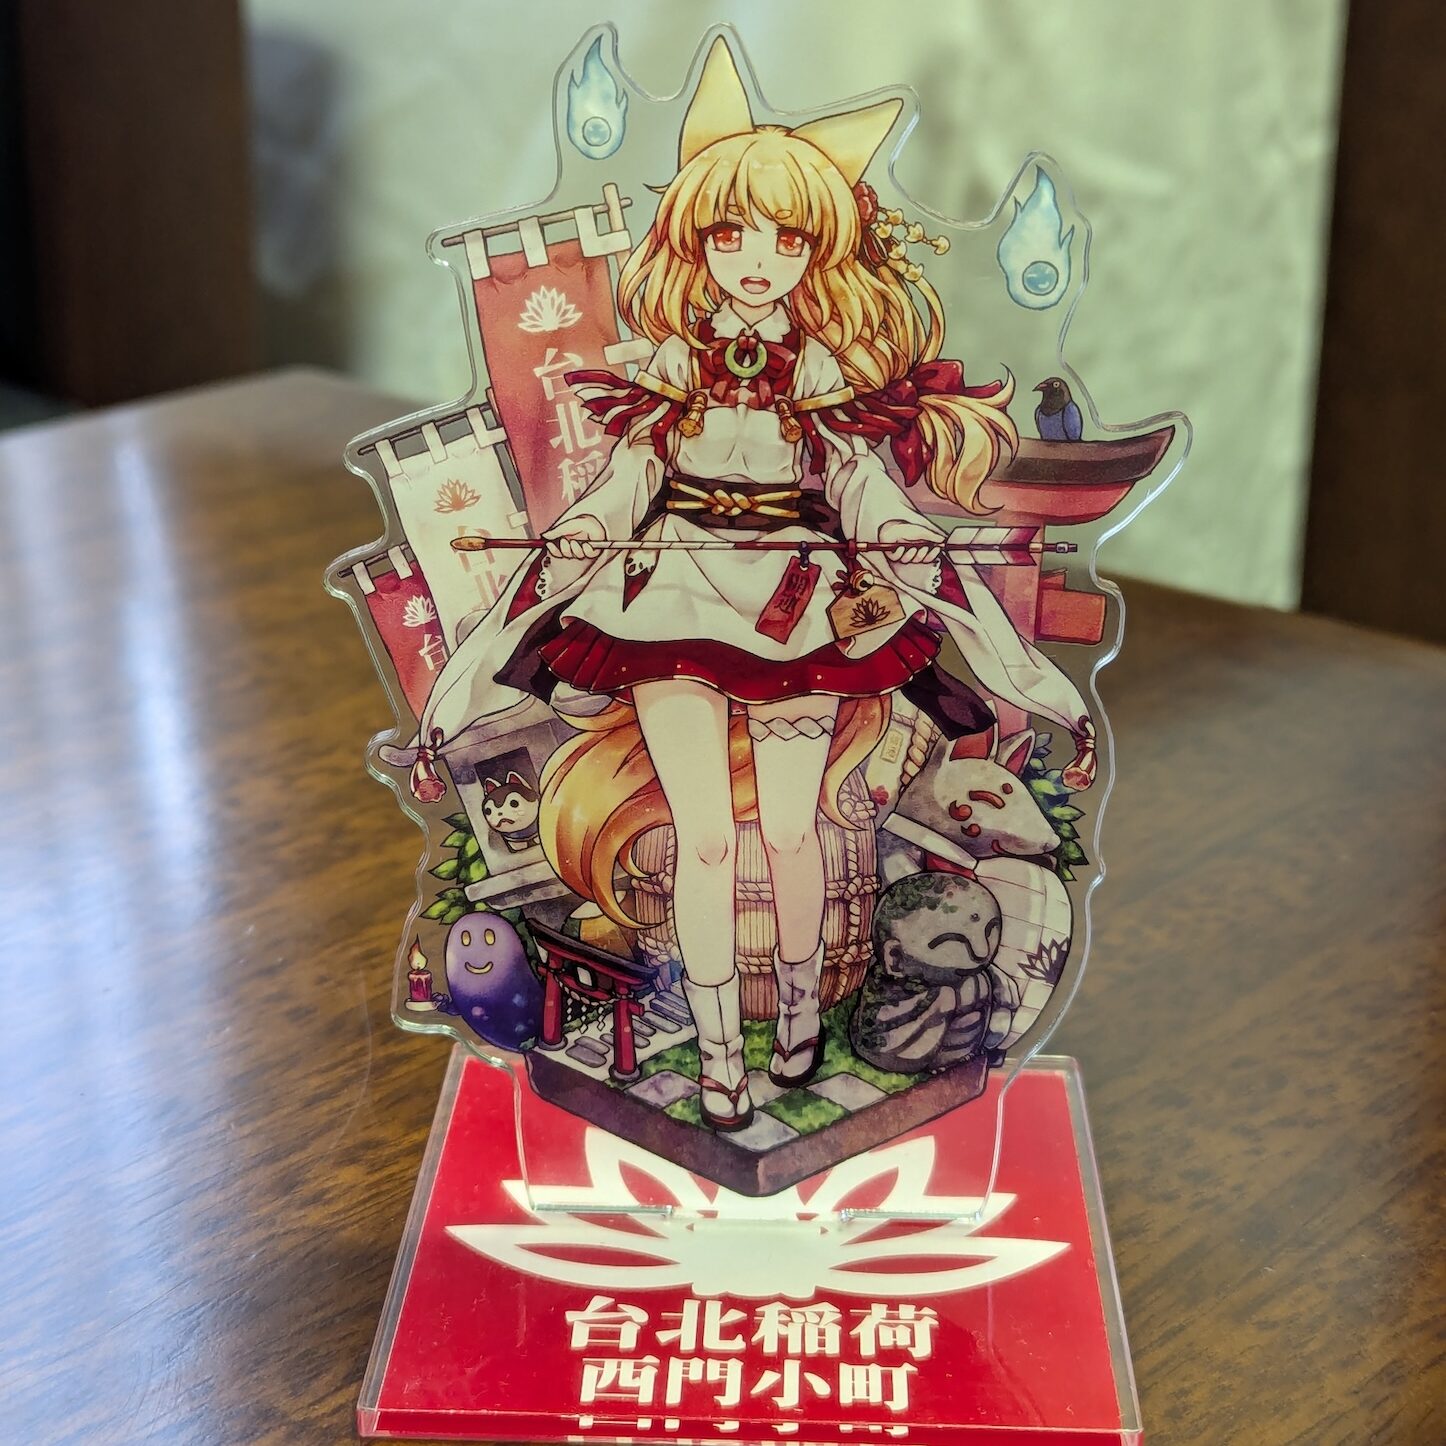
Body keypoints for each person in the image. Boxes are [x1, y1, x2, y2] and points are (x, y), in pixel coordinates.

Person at [404, 38, 1096, 1133]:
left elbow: (863, 488)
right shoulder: (669, 372)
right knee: (709, 839)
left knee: (789, 833)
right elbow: (625, 488)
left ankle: (804, 1020)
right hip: (673, 607)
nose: (757, 258)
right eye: (730, 233)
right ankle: (721, 1046)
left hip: (799, 610)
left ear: (819, 249)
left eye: (785, 236)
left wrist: (906, 549)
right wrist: (579, 540)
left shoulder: (823, 376)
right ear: (695, 241)